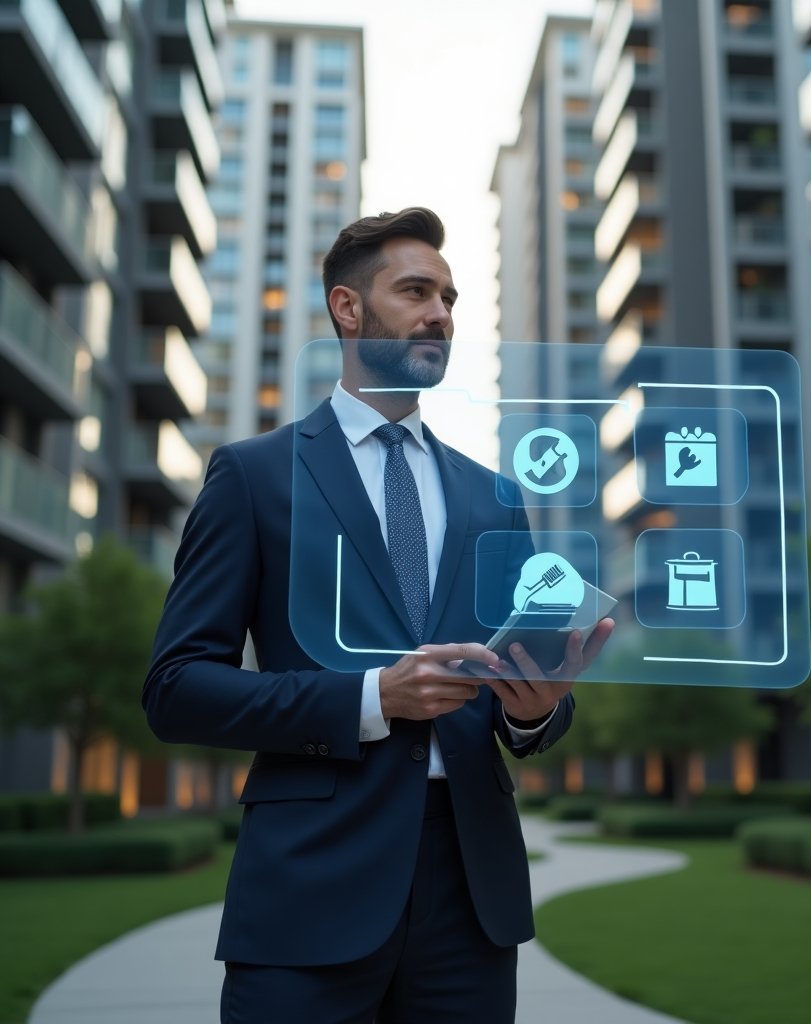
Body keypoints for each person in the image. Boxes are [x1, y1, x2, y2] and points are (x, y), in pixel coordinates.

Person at [143, 206, 613, 1024]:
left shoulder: (496, 498)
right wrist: (370, 698)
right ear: (348, 308)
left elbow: (520, 692)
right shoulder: (254, 476)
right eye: (416, 292)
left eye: (450, 299)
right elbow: (176, 689)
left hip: (470, 896)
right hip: (309, 887)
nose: (441, 314)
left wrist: (535, 711)